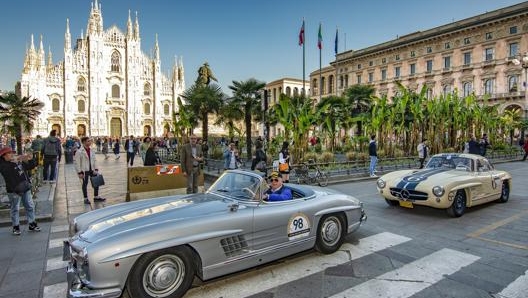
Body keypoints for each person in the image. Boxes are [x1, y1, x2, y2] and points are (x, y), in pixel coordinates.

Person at [0, 147, 40, 235]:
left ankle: (32, 223)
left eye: (12, 153)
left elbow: (31, 166)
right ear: (4, 156)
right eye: (9, 153)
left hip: (25, 187)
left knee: (29, 206)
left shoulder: (18, 162)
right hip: (13, 190)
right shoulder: (3, 165)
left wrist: (29, 159)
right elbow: (7, 173)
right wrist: (14, 162)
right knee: (15, 208)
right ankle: (16, 227)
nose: (12, 154)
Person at [74, 137, 105, 205]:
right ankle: (85, 198)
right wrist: (80, 172)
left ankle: (96, 197)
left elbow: (94, 160)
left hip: (92, 170)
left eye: (90, 141)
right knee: (85, 184)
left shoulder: (91, 150)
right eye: (88, 141)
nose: (90, 142)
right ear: (84, 142)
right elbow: (77, 163)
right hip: (84, 170)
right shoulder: (79, 151)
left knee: (96, 183)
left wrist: (96, 169)